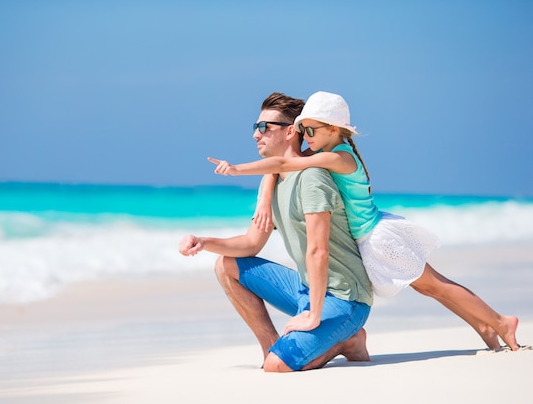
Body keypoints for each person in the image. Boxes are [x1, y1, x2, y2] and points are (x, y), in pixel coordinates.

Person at [209, 90, 523, 351]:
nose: (305, 137)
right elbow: (282, 165)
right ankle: (488, 325)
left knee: (434, 286)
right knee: (431, 287)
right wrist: (265, 196)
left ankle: (498, 322)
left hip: (376, 238)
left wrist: (236, 169)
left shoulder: (337, 156)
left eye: (311, 131)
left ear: (333, 129)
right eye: (303, 130)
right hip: (368, 234)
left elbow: (282, 162)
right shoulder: (330, 148)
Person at [179, 92, 374, 372]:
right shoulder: (274, 181)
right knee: (226, 265)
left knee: (278, 367)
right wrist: (204, 241)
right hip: (307, 290)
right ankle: (272, 349)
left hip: (345, 299)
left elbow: (319, 251)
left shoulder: (312, 178)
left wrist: (314, 316)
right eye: (255, 128)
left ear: (290, 132)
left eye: (264, 128)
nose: (256, 135)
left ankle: (348, 340)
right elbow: (250, 244)